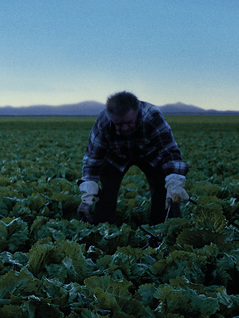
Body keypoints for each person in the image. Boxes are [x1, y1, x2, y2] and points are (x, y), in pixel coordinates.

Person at [77, 91, 189, 224]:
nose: (124, 128)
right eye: (118, 124)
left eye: (129, 122)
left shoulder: (152, 116)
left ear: (137, 112)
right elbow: (92, 160)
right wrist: (86, 199)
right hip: (116, 156)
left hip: (150, 154)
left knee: (164, 190)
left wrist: (175, 183)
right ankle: (101, 228)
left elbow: (170, 151)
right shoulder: (104, 123)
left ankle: (164, 227)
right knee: (107, 192)